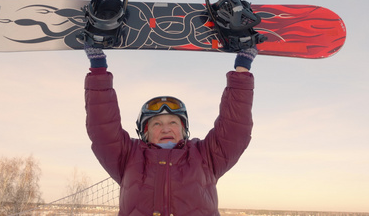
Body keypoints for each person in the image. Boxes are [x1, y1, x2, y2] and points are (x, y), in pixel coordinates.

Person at [84, 46, 256, 216]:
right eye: (156, 124)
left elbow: (234, 128)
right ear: (146, 133)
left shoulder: (205, 155)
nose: (165, 128)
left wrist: (242, 69)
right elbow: (103, 127)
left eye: (173, 122)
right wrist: (98, 67)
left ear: (183, 130)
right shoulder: (127, 156)